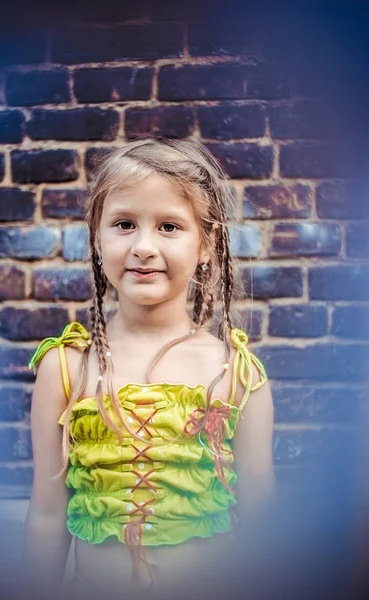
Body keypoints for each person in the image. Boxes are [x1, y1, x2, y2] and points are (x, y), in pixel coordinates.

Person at [22, 138, 275, 599]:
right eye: (123, 224)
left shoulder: (235, 375)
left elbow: (260, 520)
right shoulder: (65, 369)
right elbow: (45, 514)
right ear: (97, 240)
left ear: (206, 244)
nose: (143, 246)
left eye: (169, 227)